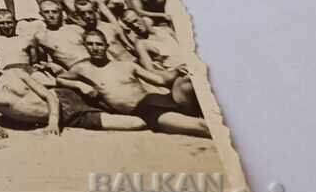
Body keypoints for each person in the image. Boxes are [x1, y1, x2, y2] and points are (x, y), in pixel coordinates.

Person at [60, 30, 208, 137]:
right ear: (85, 46)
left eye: (98, 44)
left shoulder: (127, 66)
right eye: (90, 44)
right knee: (202, 127)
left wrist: (176, 71)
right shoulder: (82, 68)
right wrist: (80, 85)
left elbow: (161, 81)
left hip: (159, 99)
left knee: (187, 80)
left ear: (106, 46)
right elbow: (60, 78)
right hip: (147, 112)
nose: (94, 48)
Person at [0, 44, 145, 135]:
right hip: (69, 118)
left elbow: (48, 95)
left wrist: (52, 121)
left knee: (125, 104)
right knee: (138, 124)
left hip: (65, 98)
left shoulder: (15, 73)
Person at [31, 0, 89, 71]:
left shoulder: (76, 29)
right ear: (41, 14)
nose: (51, 15)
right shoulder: (41, 37)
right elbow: (40, 61)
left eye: (54, 12)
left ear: (60, 12)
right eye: (46, 12)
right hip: (76, 70)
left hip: (94, 64)